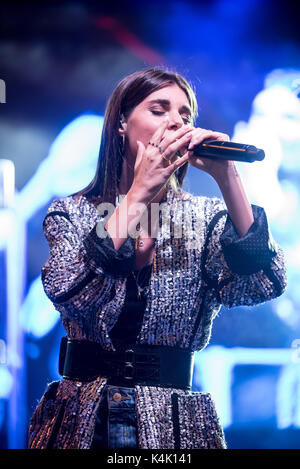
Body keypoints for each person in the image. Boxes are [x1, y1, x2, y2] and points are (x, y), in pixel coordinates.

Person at [28, 68, 286, 449]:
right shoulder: (73, 212)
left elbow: (262, 282)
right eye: (159, 110)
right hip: (81, 418)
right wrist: (139, 193)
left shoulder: (204, 218)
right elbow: (69, 290)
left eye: (185, 115)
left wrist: (227, 176)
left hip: (174, 424)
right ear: (121, 124)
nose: (175, 123)